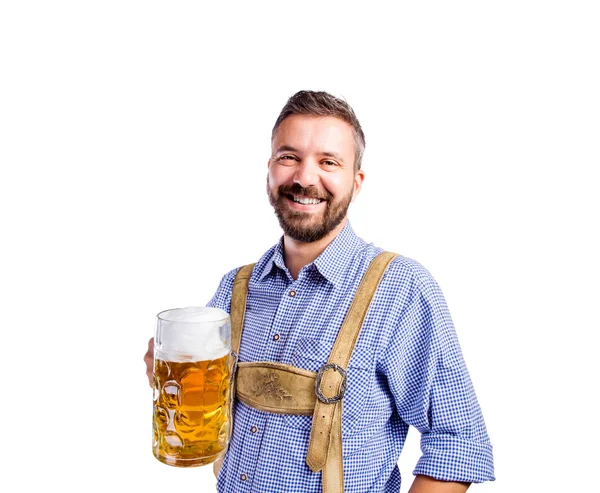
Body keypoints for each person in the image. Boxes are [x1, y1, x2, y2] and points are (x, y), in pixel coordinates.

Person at [144, 90, 495, 492]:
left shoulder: (400, 288)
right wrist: (167, 375)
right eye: (289, 157)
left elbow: (460, 444)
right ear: (270, 171)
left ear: (356, 182)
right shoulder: (236, 286)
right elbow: (203, 410)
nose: (305, 178)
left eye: (328, 162)